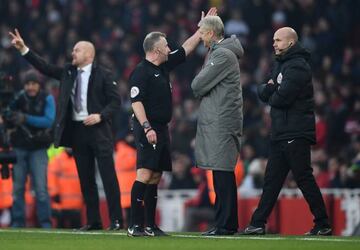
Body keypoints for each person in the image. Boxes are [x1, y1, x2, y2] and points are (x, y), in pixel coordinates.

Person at [9, 29, 123, 231]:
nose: (73, 53)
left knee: (108, 176)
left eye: (76, 50)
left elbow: (116, 102)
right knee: (86, 179)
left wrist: (100, 116)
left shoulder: (104, 74)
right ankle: (94, 221)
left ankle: (116, 221)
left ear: (89, 54)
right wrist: (24, 49)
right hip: (78, 131)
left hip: (98, 130)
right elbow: (45, 68)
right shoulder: (68, 72)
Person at [127, 8, 218, 237]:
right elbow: (136, 102)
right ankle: (134, 225)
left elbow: (186, 48)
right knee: (144, 174)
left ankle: (150, 225)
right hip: (147, 126)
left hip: (161, 127)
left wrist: (201, 29)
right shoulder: (141, 72)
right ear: (157, 49)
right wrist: (147, 127)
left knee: (156, 176)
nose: (169, 48)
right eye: (166, 45)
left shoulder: (163, 66)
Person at [241, 27, 331, 236]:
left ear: (290, 43)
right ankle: (257, 223)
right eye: (273, 40)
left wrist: (272, 90)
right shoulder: (280, 65)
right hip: (281, 131)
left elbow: (282, 98)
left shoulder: (298, 66)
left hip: (296, 131)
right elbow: (261, 90)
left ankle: (323, 223)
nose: (274, 43)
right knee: (272, 180)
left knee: (303, 178)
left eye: (278, 40)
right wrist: (272, 89)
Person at [191, 16, 244, 236]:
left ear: (212, 34)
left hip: (222, 121)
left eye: (202, 33)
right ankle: (223, 223)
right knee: (220, 172)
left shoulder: (222, 54)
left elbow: (197, 84)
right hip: (220, 120)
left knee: (222, 173)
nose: (200, 37)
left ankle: (226, 225)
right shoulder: (218, 52)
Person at [8, 71, 55, 228]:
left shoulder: (47, 98)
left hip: (38, 148)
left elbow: (48, 121)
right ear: (24, 85)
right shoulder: (18, 97)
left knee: (41, 189)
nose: (30, 87)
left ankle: (45, 223)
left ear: (38, 85)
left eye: (33, 84)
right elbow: (7, 113)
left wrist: (25, 118)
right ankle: (18, 222)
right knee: (18, 188)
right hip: (19, 147)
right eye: (28, 84)